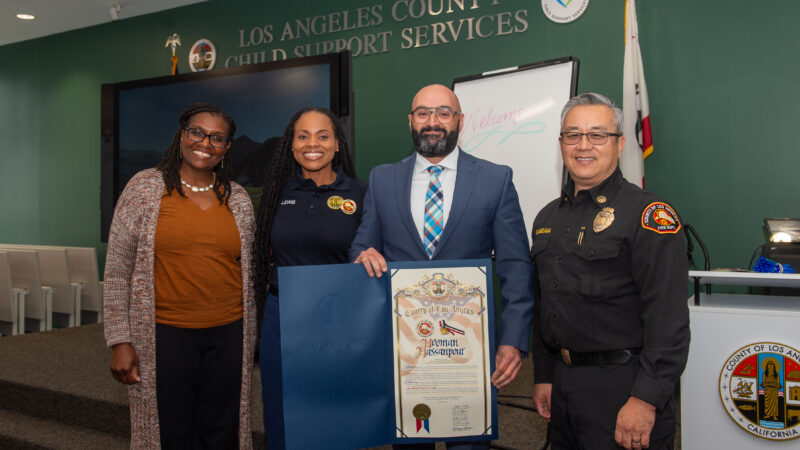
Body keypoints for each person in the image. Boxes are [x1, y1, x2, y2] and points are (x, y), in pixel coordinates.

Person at [350, 84, 533, 450]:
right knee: (410, 439)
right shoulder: (382, 179)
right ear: (410, 121)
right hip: (407, 351)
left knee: (469, 442)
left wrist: (513, 341)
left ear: (459, 121)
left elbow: (515, 266)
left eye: (443, 113)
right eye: (423, 113)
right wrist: (362, 255)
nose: (432, 122)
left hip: (469, 350)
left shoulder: (495, 180)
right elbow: (362, 243)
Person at [530, 92, 689, 450]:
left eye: (597, 135)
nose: (583, 145)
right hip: (565, 382)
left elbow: (669, 320)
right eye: (573, 135)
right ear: (561, 144)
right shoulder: (547, 218)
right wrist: (544, 375)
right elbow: (544, 306)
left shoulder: (648, 215)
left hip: (624, 387)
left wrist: (646, 398)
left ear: (619, 145)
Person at [104, 103, 256, 449]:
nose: (205, 142)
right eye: (197, 132)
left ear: (227, 147)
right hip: (164, 335)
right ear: (182, 135)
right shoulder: (144, 189)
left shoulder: (240, 199)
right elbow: (116, 272)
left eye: (217, 138)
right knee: (169, 432)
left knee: (222, 430)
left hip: (230, 335)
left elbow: (247, 269)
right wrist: (119, 339)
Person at [253, 107, 366, 449]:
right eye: (302, 136)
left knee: (335, 408)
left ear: (336, 144)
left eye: (322, 136)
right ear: (291, 145)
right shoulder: (274, 195)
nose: (312, 144)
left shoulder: (361, 194)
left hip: (339, 321)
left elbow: (373, 249)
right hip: (281, 318)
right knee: (281, 410)